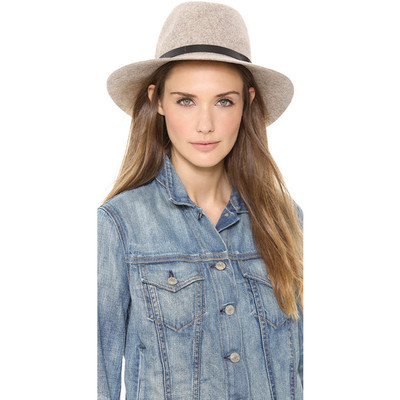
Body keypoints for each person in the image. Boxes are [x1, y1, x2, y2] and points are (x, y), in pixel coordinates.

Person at [98, 2, 303, 399]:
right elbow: (98, 376)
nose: (205, 124)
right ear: (158, 100)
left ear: (247, 102)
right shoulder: (119, 225)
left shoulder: (287, 221)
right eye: (186, 100)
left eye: (224, 101)